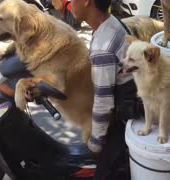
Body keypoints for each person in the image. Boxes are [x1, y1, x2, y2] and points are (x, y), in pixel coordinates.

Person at [71, 0, 142, 179]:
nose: (69, 2)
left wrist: (95, 143)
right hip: (135, 106)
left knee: (104, 173)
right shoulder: (113, 24)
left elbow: (104, 102)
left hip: (127, 121)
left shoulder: (104, 45)